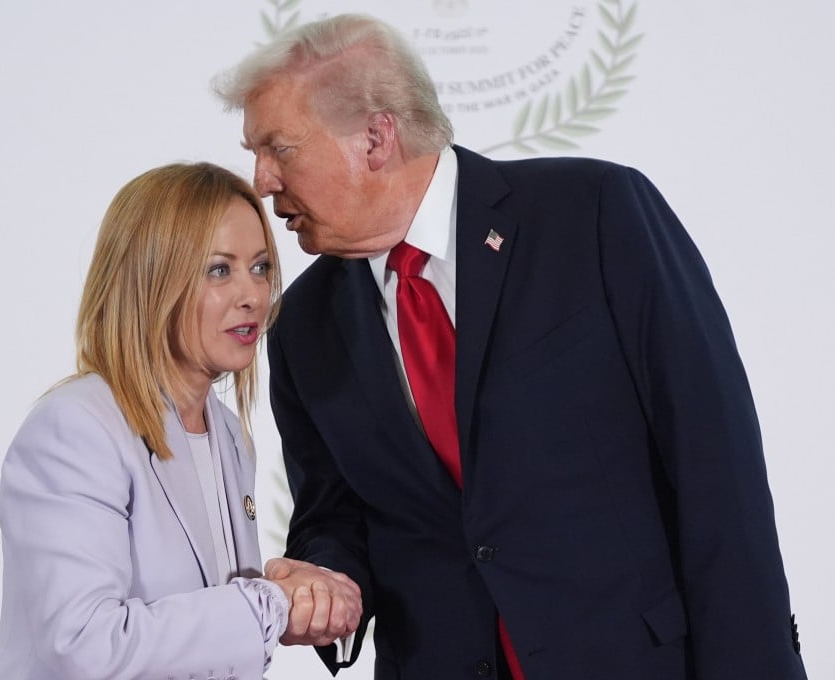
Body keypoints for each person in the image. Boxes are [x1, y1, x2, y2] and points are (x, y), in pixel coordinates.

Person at [213, 13, 808, 680]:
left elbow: (714, 463)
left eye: (279, 149)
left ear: (376, 138)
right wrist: (325, 579)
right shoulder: (303, 324)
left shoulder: (595, 213)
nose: (262, 180)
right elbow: (335, 516)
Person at [0, 162, 361, 680]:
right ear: (151, 280)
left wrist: (291, 595)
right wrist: (269, 605)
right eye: (219, 270)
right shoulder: (75, 427)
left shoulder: (227, 433)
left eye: (260, 268)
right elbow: (84, 644)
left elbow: (208, 631)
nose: (253, 295)